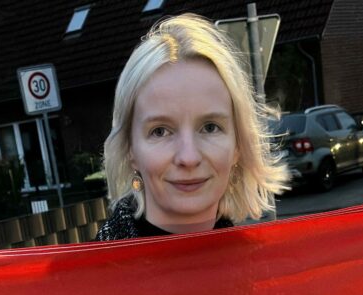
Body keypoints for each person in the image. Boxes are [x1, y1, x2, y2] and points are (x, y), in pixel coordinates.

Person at [96, 13, 288, 240]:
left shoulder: (265, 269)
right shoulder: (83, 274)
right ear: (130, 149)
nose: (189, 157)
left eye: (210, 127)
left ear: (238, 144)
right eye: (160, 131)